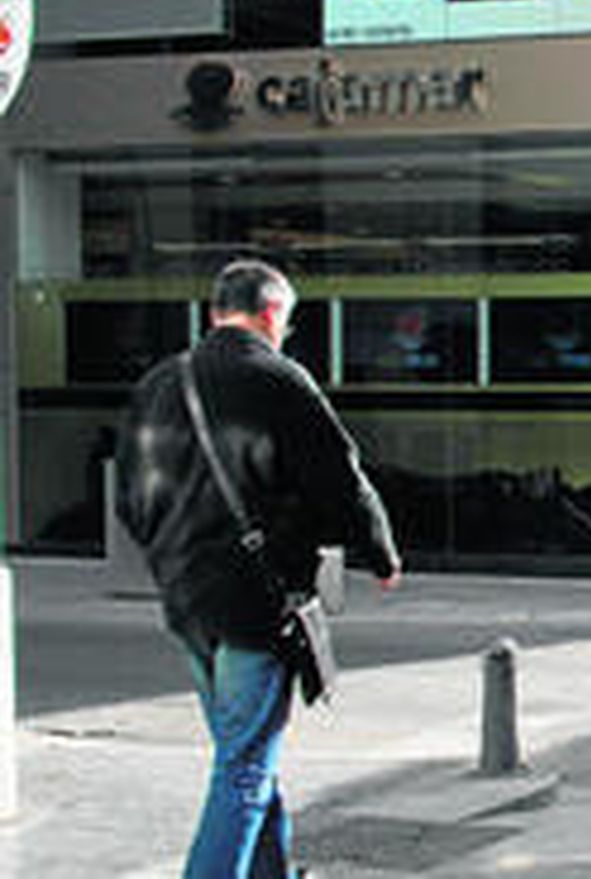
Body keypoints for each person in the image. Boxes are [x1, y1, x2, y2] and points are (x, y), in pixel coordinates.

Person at [116, 260, 403, 878]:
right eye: (288, 322)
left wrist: (170, 557)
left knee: (242, 751)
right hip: (254, 599)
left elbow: (128, 500)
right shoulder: (277, 377)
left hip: (185, 598)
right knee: (245, 765)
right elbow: (339, 477)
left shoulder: (160, 383)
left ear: (216, 311)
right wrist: (379, 551)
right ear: (272, 314)